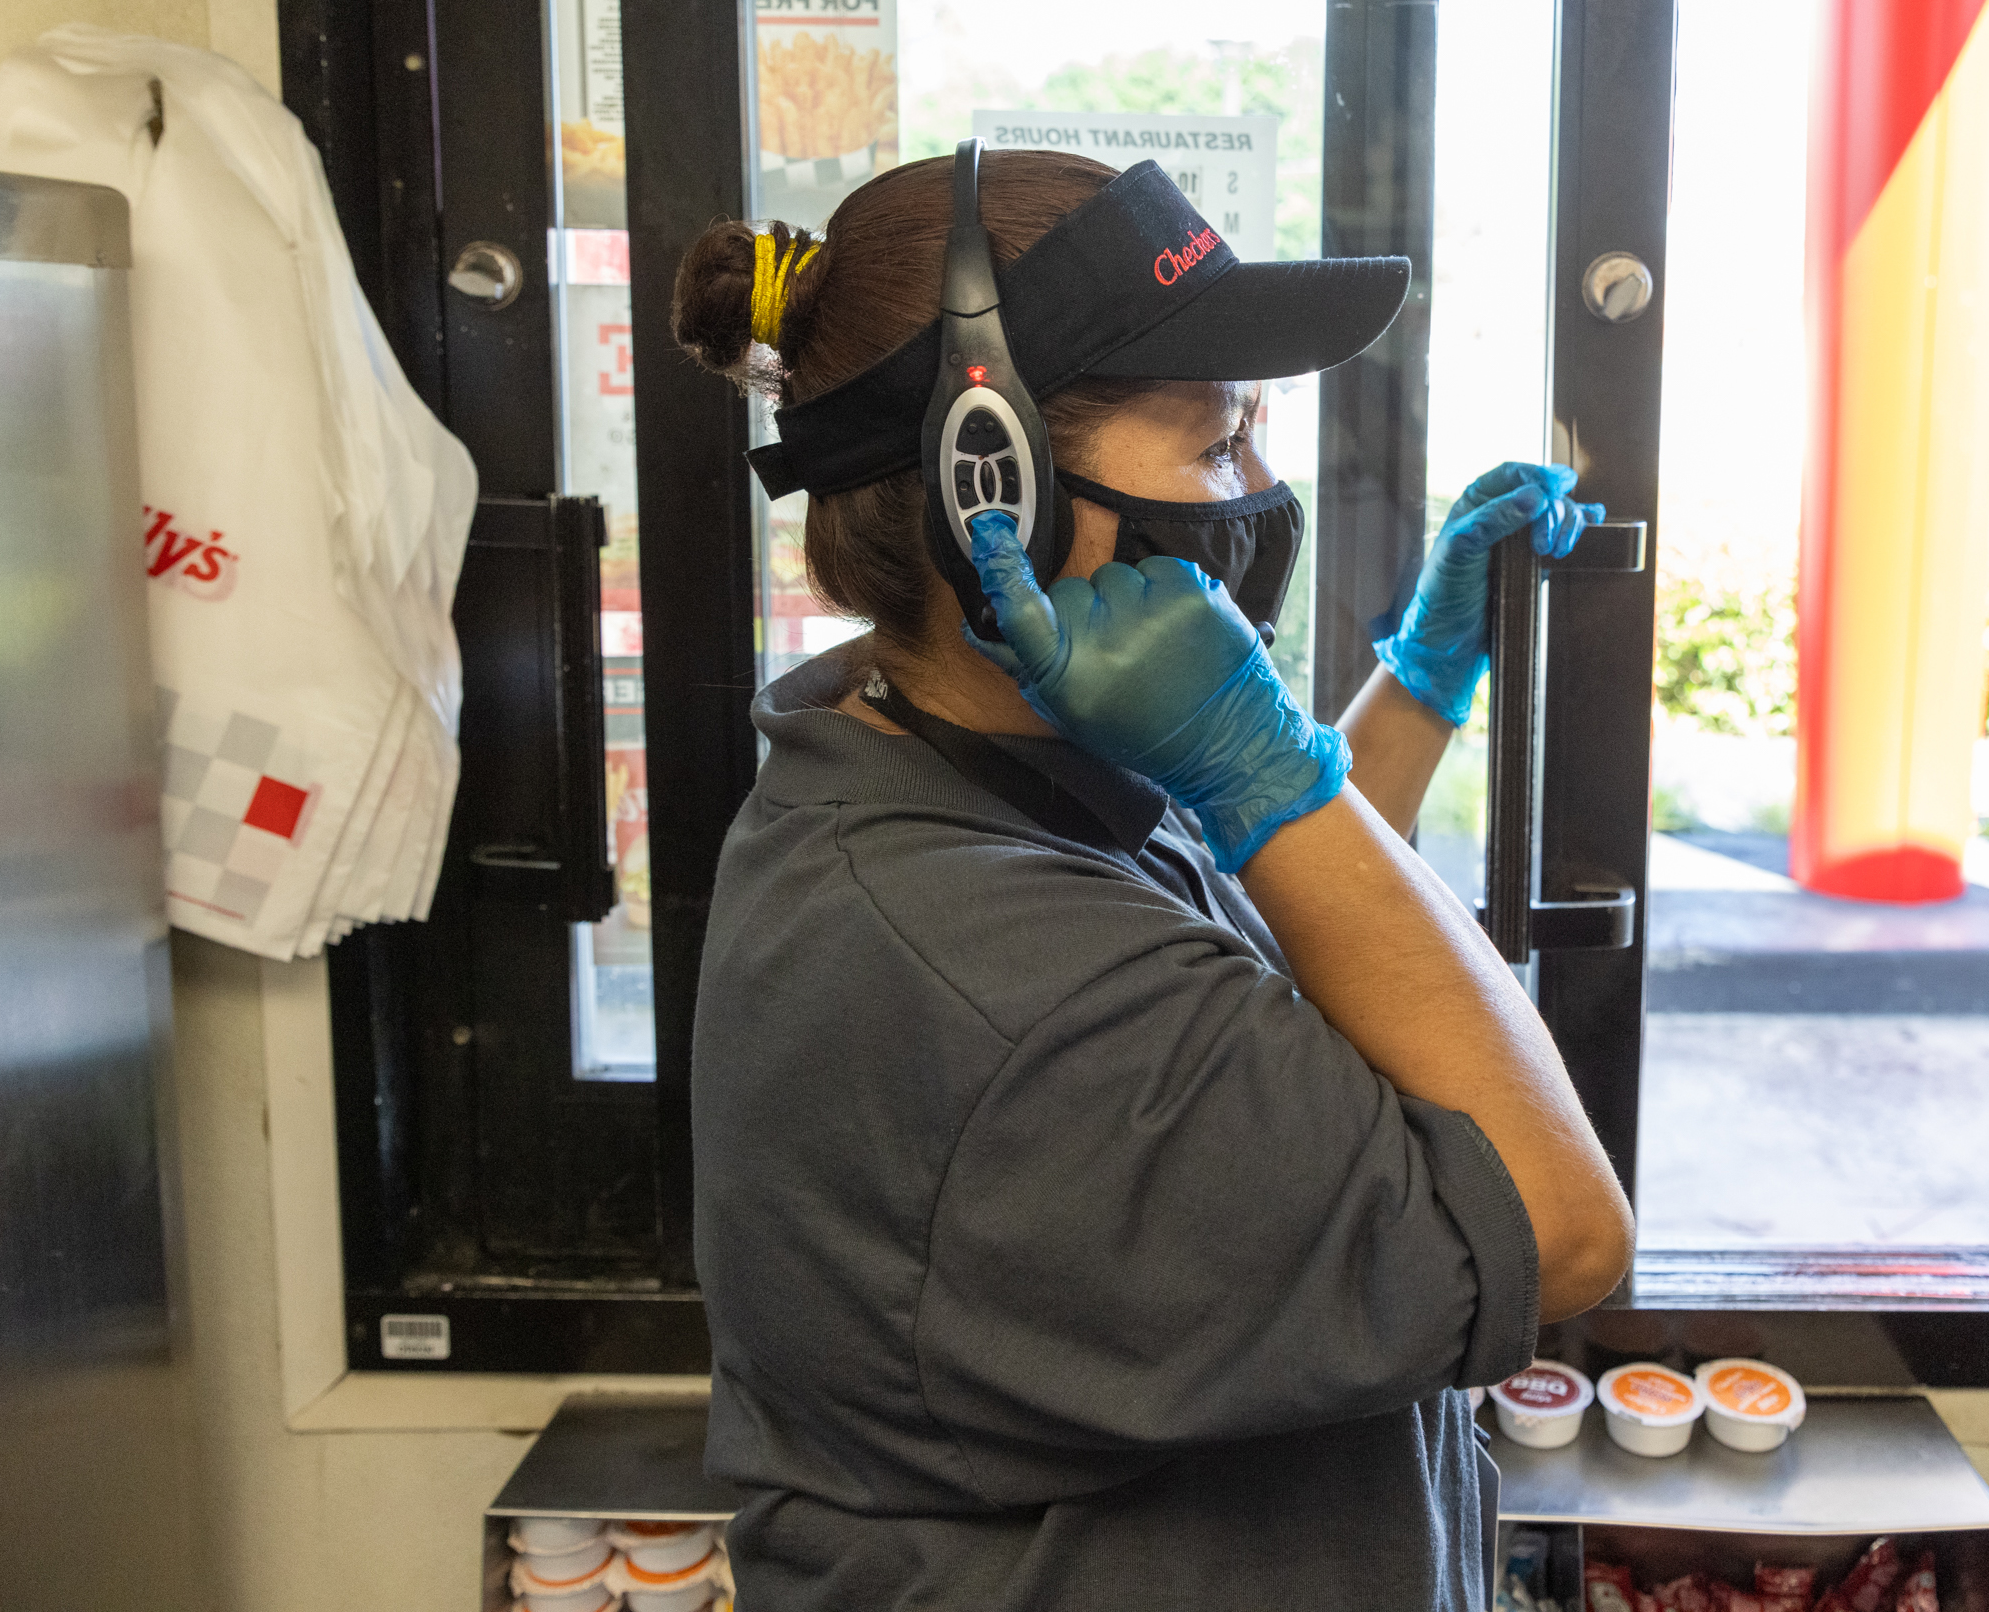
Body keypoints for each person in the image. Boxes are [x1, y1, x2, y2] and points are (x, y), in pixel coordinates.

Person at [670, 147, 1633, 1611]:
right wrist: (1260, 760)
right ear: (989, 486)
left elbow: (1266, 942)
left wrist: (1419, 685)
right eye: (1216, 443)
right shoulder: (1007, 991)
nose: (1259, 495)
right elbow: (1557, 1224)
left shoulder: (973, 763)